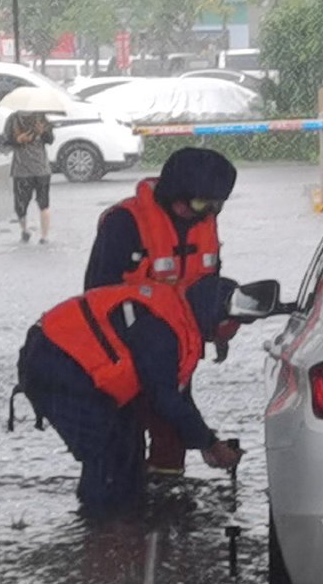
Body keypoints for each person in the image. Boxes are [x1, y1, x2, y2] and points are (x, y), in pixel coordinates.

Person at [15, 276, 244, 515]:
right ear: (214, 317)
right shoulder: (163, 330)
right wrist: (211, 444)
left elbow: (177, 396)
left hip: (72, 362)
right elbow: (165, 400)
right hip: (54, 361)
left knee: (128, 448)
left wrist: (206, 441)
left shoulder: (181, 318)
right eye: (231, 326)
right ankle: (101, 531)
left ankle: (119, 525)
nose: (232, 334)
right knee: (107, 455)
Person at [82, 146, 241, 479]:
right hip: (123, 352)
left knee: (171, 433)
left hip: (176, 347)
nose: (206, 213)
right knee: (120, 437)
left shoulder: (205, 221)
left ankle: (165, 503)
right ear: (175, 196)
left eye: (216, 206)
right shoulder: (125, 223)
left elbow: (208, 282)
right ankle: (114, 511)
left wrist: (217, 331)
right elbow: (95, 295)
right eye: (200, 205)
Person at [4, 108, 55, 243]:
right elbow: (6, 140)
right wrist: (18, 140)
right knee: (21, 204)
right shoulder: (13, 119)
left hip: (41, 169)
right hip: (21, 170)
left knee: (43, 203)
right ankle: (24, 230)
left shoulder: (41, 117)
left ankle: (44, 236)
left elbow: (50, 140)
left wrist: (43, 132)